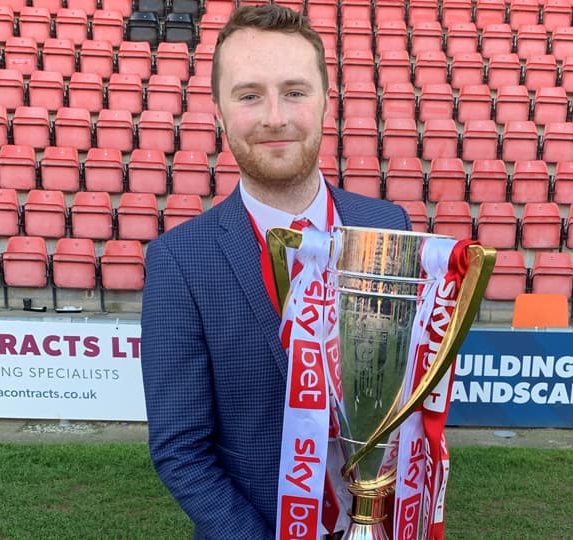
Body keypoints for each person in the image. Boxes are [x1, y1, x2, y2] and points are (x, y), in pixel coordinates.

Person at [140, 5, 412, 539]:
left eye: (294, 91)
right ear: (219, 111)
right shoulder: (179, 262)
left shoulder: (389, 224)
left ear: (325, 103)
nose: (274, 117)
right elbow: (180, 450)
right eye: (248, 95)